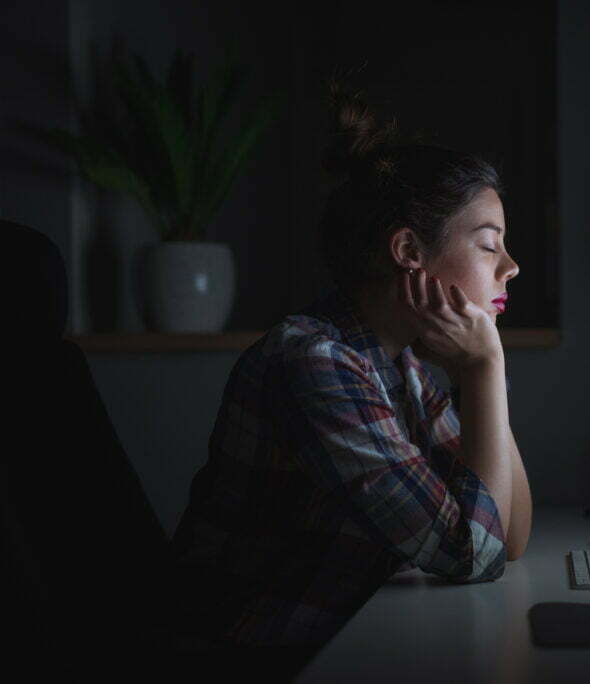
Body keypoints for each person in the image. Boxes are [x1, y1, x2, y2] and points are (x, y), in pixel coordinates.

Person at [164, 72, 532, 654]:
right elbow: (474, 553)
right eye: (489, 244)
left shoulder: (400, 367)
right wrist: (485, 368)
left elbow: (507, 536)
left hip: (340, 639)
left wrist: (475, 373)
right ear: (409, 251)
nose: (511, 266)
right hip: (257, 652)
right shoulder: (315, 364)